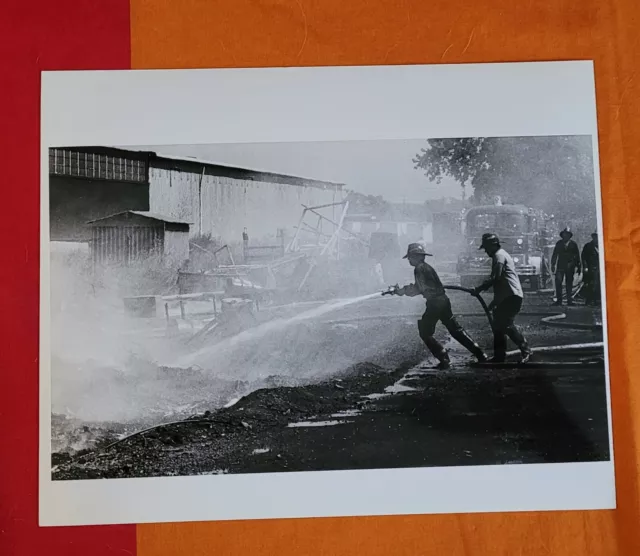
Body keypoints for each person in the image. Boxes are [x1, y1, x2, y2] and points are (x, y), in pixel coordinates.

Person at [391, 243, 487, 370]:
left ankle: (443, 358)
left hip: (435, 303)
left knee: (425, 331)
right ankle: (480, 354)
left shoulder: (419, 268)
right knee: (455, 329)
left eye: (410, 257)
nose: (409, 259)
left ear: (417, 257)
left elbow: (419, 288)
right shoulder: (426, 267)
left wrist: (402, 291)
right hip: (443, 300)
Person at [473, 233, 532, 364]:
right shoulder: (500, 254)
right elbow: (500, 285)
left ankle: (525, 349)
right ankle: (499, 356)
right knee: (499, 326)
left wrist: (479, 288)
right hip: (508, 296)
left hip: (512, 295)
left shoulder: (499, 256)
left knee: (505, 325)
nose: (486, 251)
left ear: (493, 246)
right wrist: (495, 301)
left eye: (487, 248)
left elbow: (496, 278)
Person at [551, 227, 581, 306]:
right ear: (562, 235)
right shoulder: (559, 243)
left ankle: (569, 300)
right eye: (564, 234)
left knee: (569, 283)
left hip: (570, 266)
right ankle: (559, 300)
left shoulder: (573, 244)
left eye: (567, 234)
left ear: (570, 236)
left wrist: (579, 266)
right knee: (558, 282)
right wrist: (553, 264)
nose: (565, 236)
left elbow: (577, 256)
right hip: (560, 266)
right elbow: (555, 254)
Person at [581, 231, 600, 306]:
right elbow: (583, 257)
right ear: (593, 237)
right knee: (590, 285)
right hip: (590, 268)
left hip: (599, 269)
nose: (596, 238)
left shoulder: (602, 245)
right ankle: (589, 301)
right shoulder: (588, 246)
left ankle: (597, 301)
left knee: (598, 284)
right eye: (595, 236)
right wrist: (585, 267)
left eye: (598, 236)